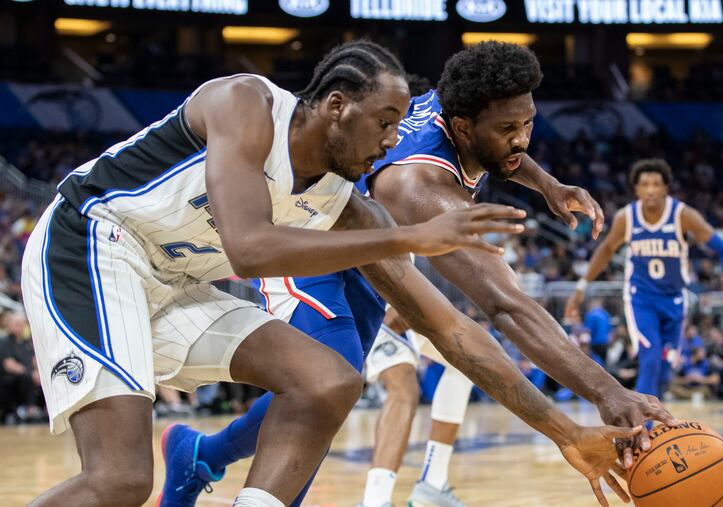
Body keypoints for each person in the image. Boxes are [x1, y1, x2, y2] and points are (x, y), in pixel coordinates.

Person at [21, 40, 535, 507]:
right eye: (385, 122)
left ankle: (210, 462)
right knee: (120, 480)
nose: (393, 140)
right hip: (92, 243)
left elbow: (449, 327)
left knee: (330, 380)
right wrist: (410, 237)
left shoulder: (343, 202)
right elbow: (246, 249)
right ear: (338, 106)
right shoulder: (246, 103)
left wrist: (570, 433)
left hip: (174, 280)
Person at [162, 42, 676, 507]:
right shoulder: (417, 186)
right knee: (329, 382)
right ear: (462, 128)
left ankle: (202, 454)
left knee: (332, 391)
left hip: (376, 259)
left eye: (529, 123)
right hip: (314, 240)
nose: (521, 138)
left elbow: (508, 151)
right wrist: (608, 392)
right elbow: (506, 308)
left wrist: (548, 185)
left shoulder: (455, 104)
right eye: (507, 130)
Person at [566, 158, 723, 399]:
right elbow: (606, 249)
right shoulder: (627, 217)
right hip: (641, 299)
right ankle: (644, 430)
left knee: (665, 370)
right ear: (636, 189)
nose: (650, 189)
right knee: (650, 358)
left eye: (656, 184)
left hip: (674, 300)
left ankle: (652, 418)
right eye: (645, 184)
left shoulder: (683, 215)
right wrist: (580, 289)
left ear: (665, 188)